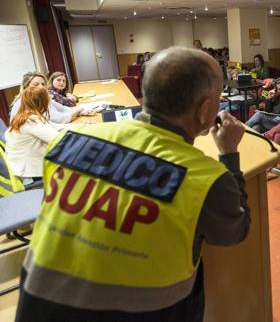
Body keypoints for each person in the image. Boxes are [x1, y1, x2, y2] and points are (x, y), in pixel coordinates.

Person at [14, 47, 250, 322]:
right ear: (206, 110)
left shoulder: (65, 143)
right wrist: (229, 154)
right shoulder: (205, 178)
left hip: (35, 309)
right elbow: (233, 231)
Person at [5, 86, 65, 180]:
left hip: (19, 163)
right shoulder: (31, 120)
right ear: (42, 101)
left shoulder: (24, 115)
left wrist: (84, 125)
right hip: (28, 168)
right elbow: (58, 139)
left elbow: (54, 126)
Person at [11, 72, 87, 124]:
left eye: (43, 84)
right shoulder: (25, 102)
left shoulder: (43, 98)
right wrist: (78, 110)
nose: (41, 87)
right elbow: (59, 119)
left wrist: (79, 112)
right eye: (36, 84)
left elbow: (63, 108)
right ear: (26, 87)